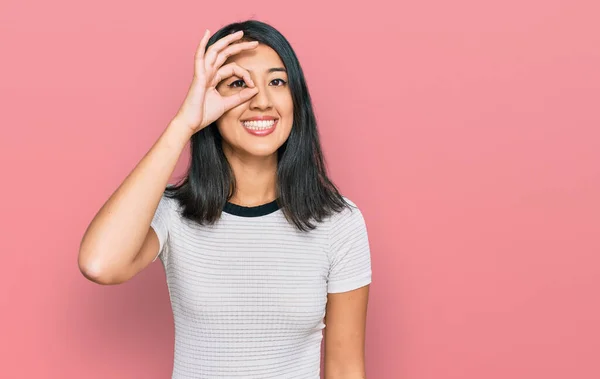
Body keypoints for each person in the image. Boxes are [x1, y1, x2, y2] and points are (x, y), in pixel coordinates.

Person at [78, 19, 372, 379]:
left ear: (296, 97)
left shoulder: (339, 223)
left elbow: (345, 368)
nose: (261, 101)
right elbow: (99, 263)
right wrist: (184, 123)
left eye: (277, 81)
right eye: (238, 84)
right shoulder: (174, 214)